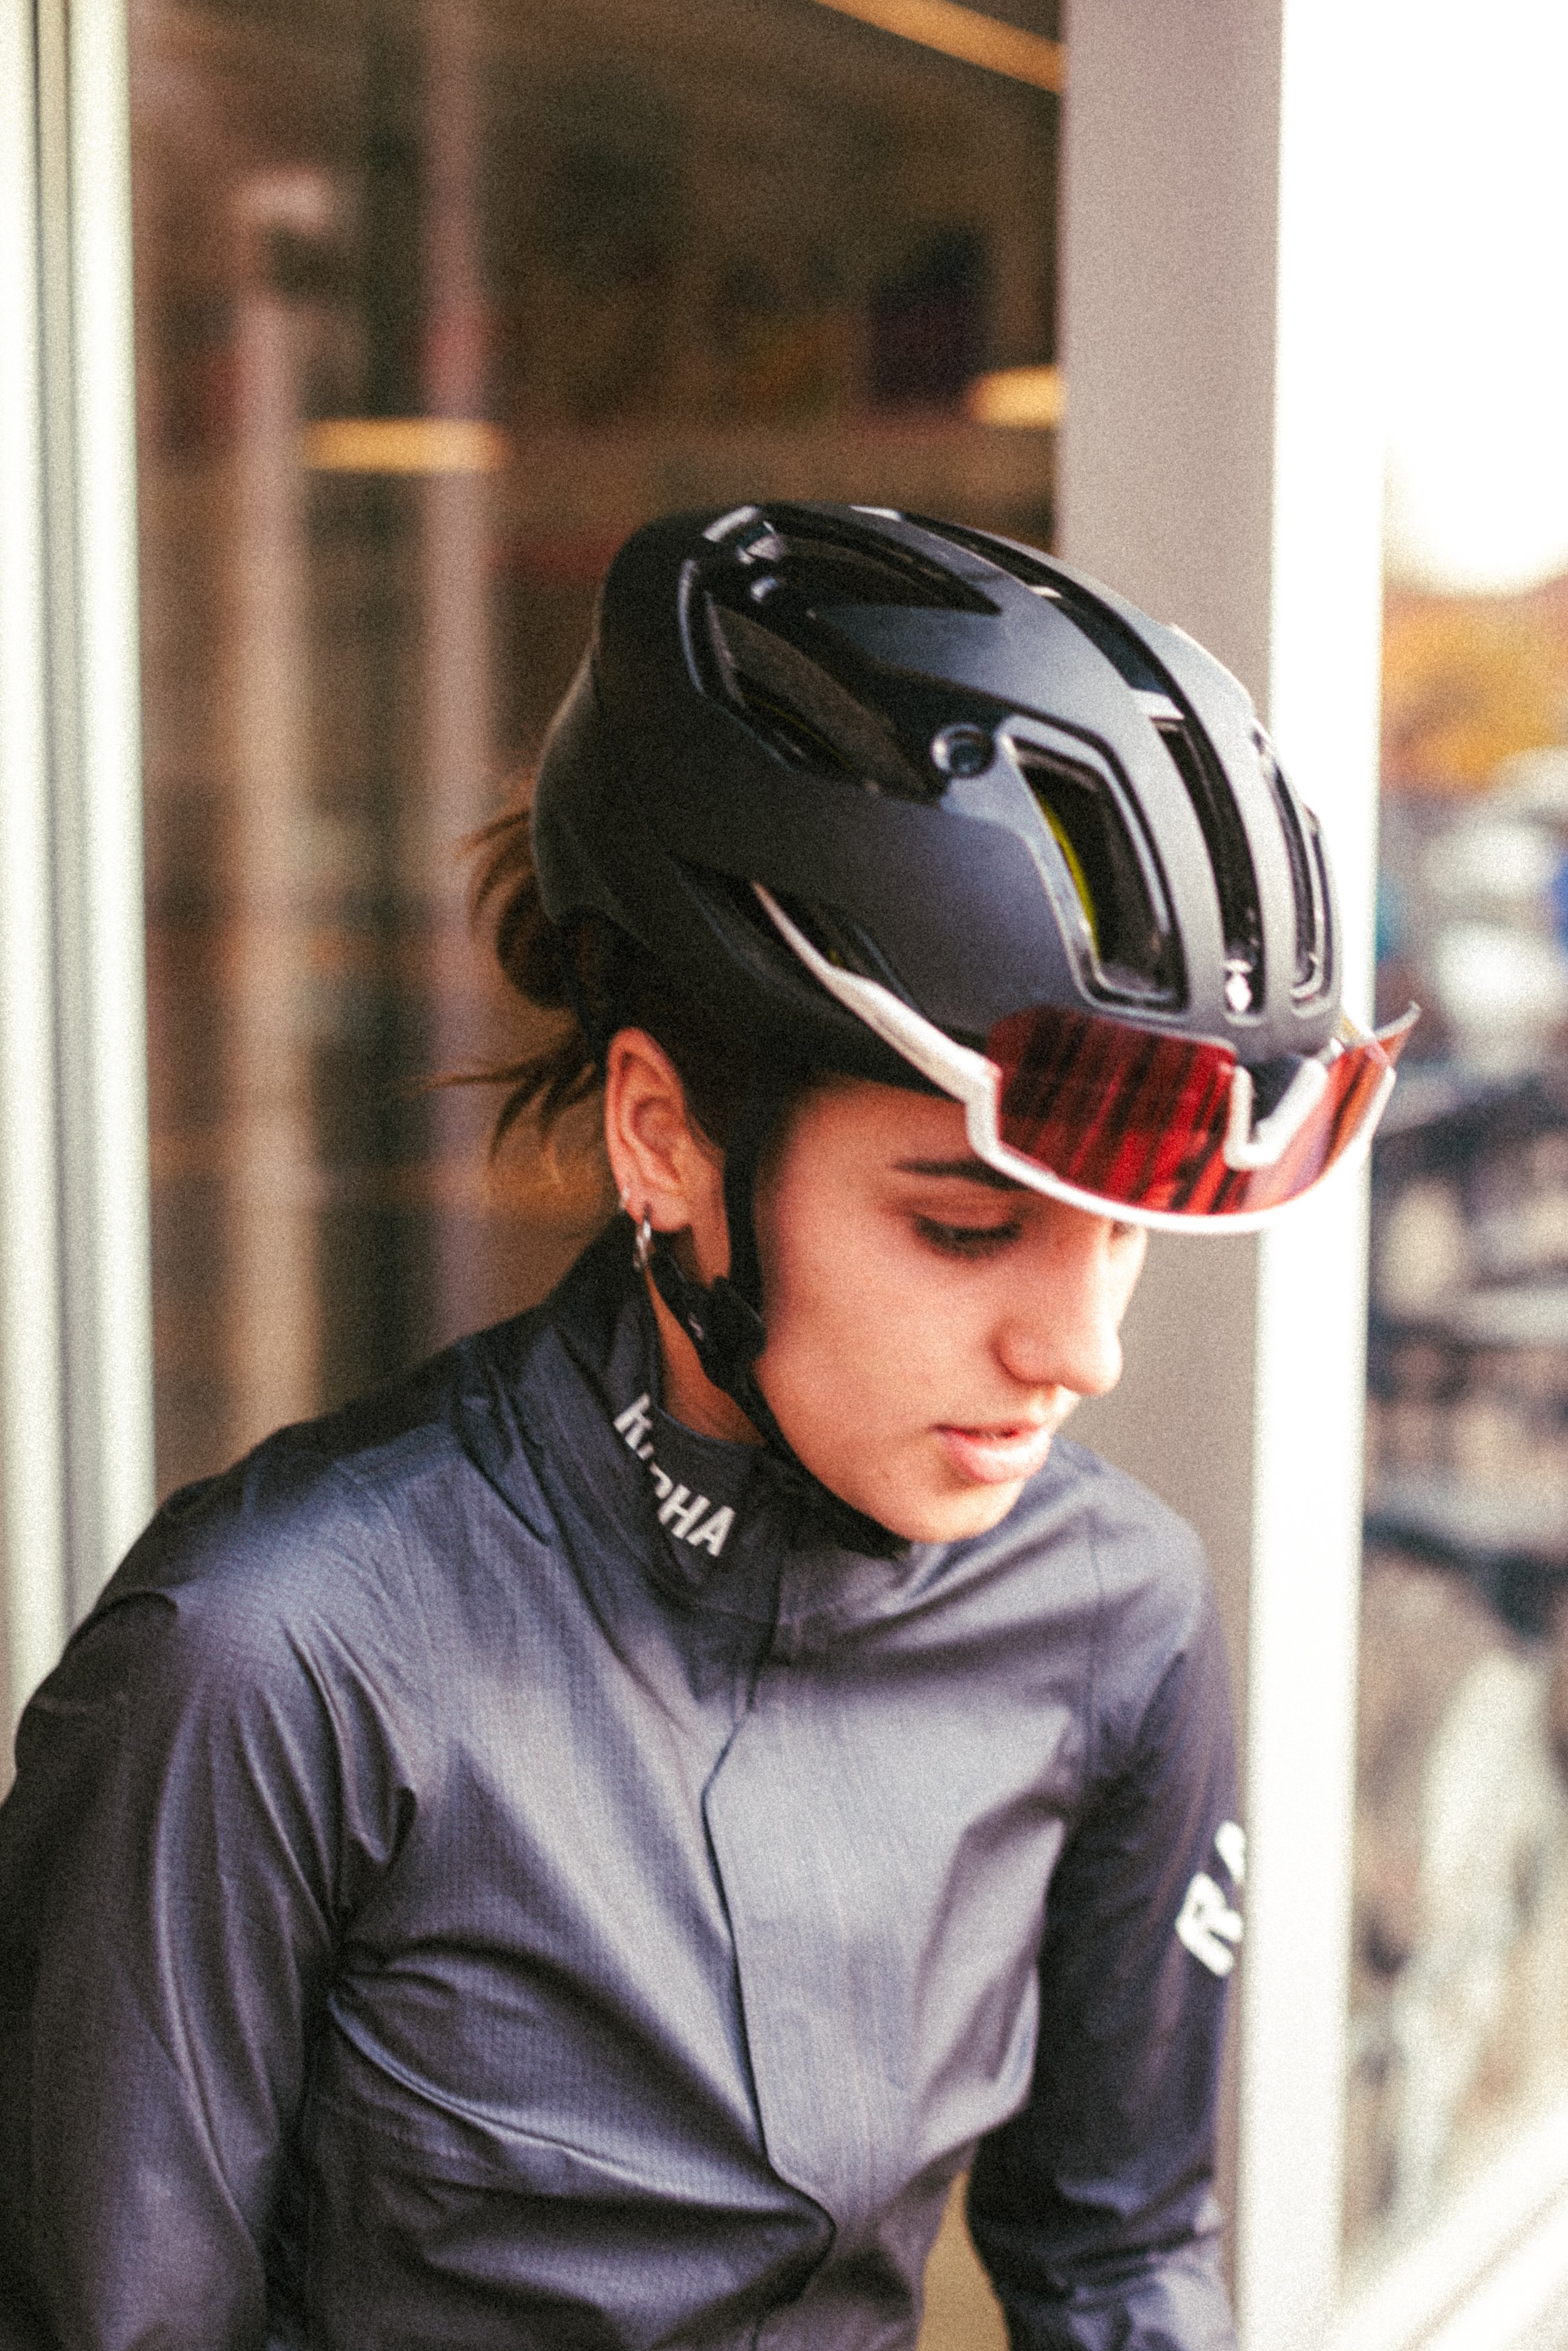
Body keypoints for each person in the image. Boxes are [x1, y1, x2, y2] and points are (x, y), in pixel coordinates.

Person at [0, 503, 1408, 2351]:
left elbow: (1121, 2259)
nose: (1082, 1350)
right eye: (964, 1223)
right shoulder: (274, 1659)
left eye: (1117, 1230)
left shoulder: (1116, 1614)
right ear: (662, 1137)